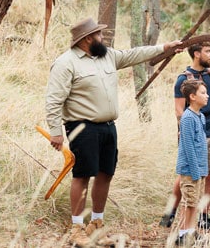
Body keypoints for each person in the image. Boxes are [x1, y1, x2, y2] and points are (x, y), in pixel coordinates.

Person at [45, 17, 180, 247]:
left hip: (108, 127)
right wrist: (55, 131)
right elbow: (54, 100)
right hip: (81, 127)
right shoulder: (66, 63)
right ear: (87, 39)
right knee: (82, 174)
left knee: (105, 173)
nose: (102, 37)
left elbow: (133, 55)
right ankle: (77, 228)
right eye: (98, 34)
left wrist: (164, 48)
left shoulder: (106, 56)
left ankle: (96, 224)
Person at [160, 41, 210, 230]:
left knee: (209, 174)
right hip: (193, 131)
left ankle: (203, 216)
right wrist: (190, 130)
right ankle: (171, 212)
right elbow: (178, 110)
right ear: (197, 54)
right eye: (208, 51)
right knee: (187, 174)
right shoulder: (183, 79)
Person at [175, 79, 209, 246]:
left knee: (194, 203)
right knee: (188, 202)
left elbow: (201, 144)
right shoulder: (187, 118)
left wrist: (204, 170)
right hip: (190, 170)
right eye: (203, 93)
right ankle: (182, 234)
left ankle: (190, 231)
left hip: (200, 169)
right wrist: (196, 171)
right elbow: (188, 147)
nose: (207, 95)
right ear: (192, 96)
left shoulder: (200, 116)